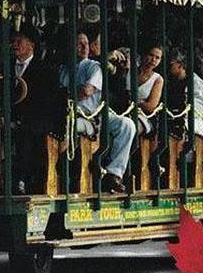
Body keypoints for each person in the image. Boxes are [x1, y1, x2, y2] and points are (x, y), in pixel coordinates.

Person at [69, 32, 136, 193]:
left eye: (86, 43)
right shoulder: (64, 67)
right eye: (79, 44)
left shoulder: (93, 65)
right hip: (74, 113)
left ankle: (114, 173)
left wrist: (68, 93)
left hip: (94, 113)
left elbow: (87, 91)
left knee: (127, 125)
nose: (84, 47)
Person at [10, 23, 65, 194]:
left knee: (27, 130)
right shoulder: (4, 66)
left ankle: (21, 179)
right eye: (13, 41)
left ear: (32, 46)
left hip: (38, 121)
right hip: (10, 118)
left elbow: (53, 103)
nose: (15, 45)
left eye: (19, 41)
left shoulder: (46, 70)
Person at [167, 52, 203, 139]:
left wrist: (180, 114)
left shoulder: (195, 82)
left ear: (180, 65)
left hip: (192, 121)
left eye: (171, 64)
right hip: (174, 118)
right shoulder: (170, 81)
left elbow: (200, 106)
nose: (169, 67)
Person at [132, 46, 164, 135]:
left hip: (143, 117)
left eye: (157, 58)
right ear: (144, 55)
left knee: (133, 127)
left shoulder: (157, 79)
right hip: (122, 112)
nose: (153, 59)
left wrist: (132, 102)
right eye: (151, 55)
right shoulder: (130, 71)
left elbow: (151, 106)